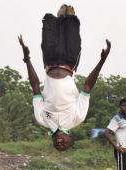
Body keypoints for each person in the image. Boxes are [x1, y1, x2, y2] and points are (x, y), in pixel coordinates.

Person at [18, 6, 111, 151]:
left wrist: (27, 58)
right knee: (71, 24)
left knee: (50, 23)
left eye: (57, 145)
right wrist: (102, 61)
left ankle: (60, 16)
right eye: (64, 144)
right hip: (69, 61)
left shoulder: (42, 120)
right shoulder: (77, 118)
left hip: (49, 61)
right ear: (70, 138)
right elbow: (87, 88)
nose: (60, 143)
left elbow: (35, 87)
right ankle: (68, 16)